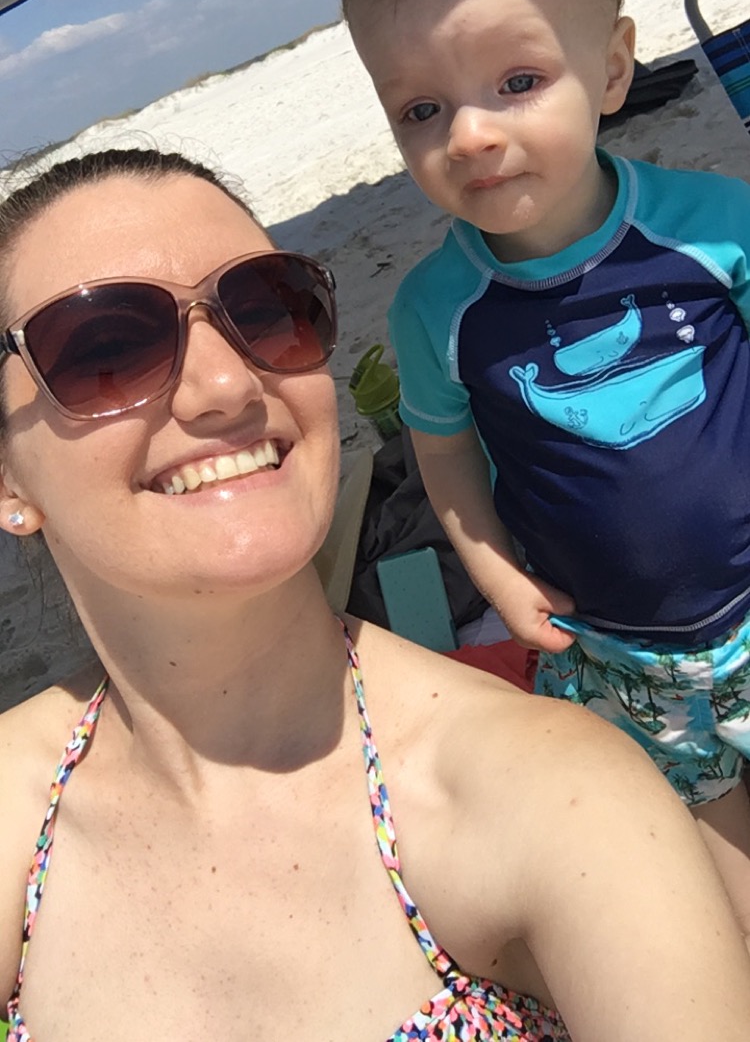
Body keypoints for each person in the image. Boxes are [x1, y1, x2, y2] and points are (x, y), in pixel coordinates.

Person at [1, 147, 749, 1042]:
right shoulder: (18, 809)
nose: (228, 384)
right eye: (106, 348)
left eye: (265, 308)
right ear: (9, 478)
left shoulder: (549, 797)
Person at [341, 0, 750, 944]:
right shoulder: (437, 310)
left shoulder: (712, 225)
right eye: (422, 108)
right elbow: (444, 458)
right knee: (716, 857)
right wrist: (494, 576)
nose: (469, 134)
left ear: (612, 68)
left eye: (516, 82)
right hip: (624, 645)